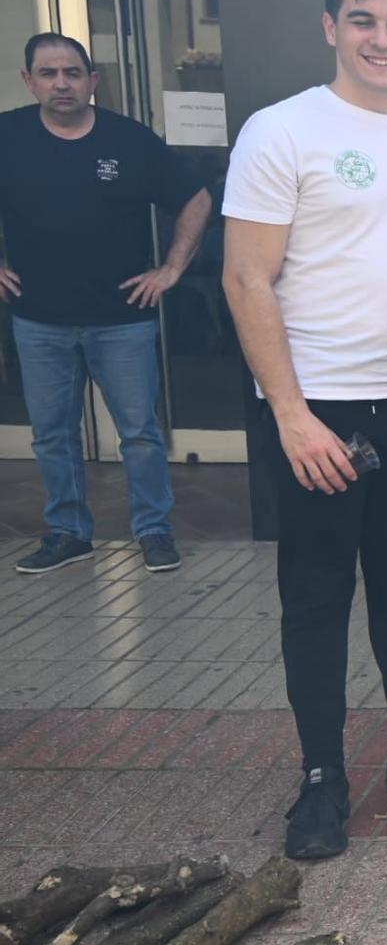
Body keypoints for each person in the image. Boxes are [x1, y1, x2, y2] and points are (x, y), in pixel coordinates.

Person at [220, 0, 387, 860]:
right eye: (363, 20)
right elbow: (247, 278)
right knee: (316, 600)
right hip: (316, 410)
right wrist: (289, 414)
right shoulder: (284, 131)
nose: (381, 39)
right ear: (330, 26)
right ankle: (322, 776)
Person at [2, 33, 210, 576]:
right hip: (38, 318)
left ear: (93, 81)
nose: (61, 83)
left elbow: (196, 197)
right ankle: (68, 532)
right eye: (48, 73)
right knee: (52, 435)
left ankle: (153, 530)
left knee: (138, 432)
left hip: (122, 320)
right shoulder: (8, 136)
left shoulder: (131, 141)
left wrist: (171, 269)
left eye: (72, 73)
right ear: (29, 81)